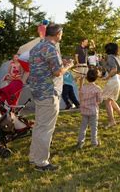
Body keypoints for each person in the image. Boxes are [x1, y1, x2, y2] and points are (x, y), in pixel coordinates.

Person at [28, 24, 74, 172]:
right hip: (48, 93)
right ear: (58, 34)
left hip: (37, 91)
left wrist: (61, 64)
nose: (62, 36)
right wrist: (68, 66)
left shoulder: (37, 47)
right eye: (62, 34)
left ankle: (34, 157)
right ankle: (41, 162)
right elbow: (58, 72)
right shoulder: (51, 48)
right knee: (46, 128)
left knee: (39, 126)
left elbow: (46, 67)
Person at [102, 43, 120, 127]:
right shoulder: (118, 57)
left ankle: (112, 121)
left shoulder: (110, 57)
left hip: (114, 78)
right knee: (111, 99)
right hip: (119, 78)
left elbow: (114, 69)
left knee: (107, 100)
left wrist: (107, 77)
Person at [77, 68, 102, 149]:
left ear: (87, 77)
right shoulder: (97, 89)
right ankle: (94, 143)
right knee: (94, 128)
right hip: (93, 111)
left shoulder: (83, 88)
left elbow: (80, 96)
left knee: (83, 127)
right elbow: (100, 100)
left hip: (84, 111)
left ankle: (80, 142)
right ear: (96, 77)